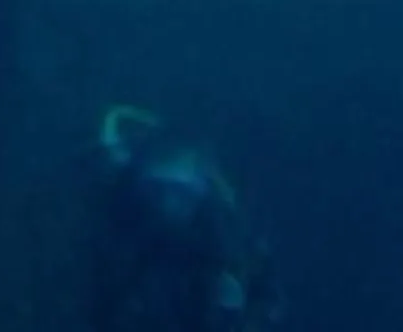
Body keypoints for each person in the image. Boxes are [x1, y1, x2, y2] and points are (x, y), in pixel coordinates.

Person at [84, 106, 282, 332]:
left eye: (181, 193)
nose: (169, 202)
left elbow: (259, 294)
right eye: (159, 190)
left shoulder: (224, 233)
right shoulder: (130, 218)